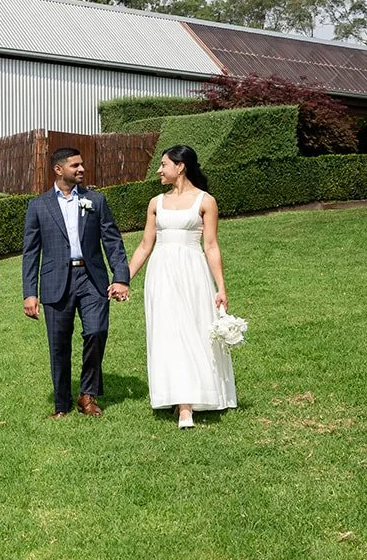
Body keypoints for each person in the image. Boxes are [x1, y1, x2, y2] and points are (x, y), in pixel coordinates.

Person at [125, 145, 237, 428]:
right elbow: (144, 246)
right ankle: (181, 402)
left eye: (163, 165)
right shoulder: (155, 203)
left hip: (192, 272)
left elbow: (211, 246)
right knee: (167, 333)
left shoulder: (205, 201)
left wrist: (220, 287)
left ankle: (190, 399)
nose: (159, 170)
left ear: (181, 166)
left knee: (192, 331)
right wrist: (122, 279)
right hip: (161, 273)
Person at [22, 146, 131, 417]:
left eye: (82, 165)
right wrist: (29, 293)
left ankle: (88, 395)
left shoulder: (96, 200)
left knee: (96, 332)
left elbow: (113, 242)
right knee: (58, 344)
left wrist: (120, 277)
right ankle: (61, 404)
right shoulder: (38, 206)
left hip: (92, 279)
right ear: (59, 169)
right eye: (75, 165)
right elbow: (31, 252)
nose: (81, 169)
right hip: (55, 282)